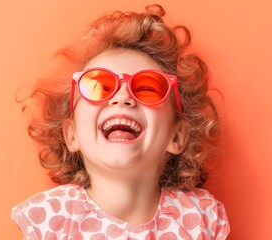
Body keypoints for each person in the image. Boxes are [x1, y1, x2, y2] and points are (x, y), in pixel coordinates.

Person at [12, 4, 230, 239]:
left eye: (147, 88)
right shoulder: (51, 219)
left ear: (176, 136)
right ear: (72, 135)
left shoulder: (199, 218)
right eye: (99, 86)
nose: (122, 97)